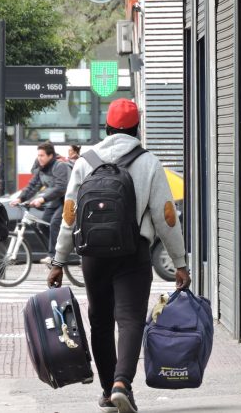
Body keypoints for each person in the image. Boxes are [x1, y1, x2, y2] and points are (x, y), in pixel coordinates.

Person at [47, 98, 191, 413]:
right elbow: (166, 216)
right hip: (133, 252)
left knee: (99, 321)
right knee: (130, 319)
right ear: (137, 128)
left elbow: (70, 214)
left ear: (108, 127)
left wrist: (58, 261)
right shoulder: (148, 161)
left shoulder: (86, 160)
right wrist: (179, 263)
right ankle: (122, 383)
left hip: (93, 255)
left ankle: (105, 389)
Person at [10, 142, 71, 266]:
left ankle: (54, 256)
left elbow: (61, 188)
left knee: (54, 223)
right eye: (38, 155)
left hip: (68, 200)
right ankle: (58, 250)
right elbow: (33, 185)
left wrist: (42, 200)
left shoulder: (60, 166)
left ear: (50, 155)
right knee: (43, 225)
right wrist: (21, 198)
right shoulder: (41, 168)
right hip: (56, 200)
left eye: (42, 155)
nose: (39, 158)